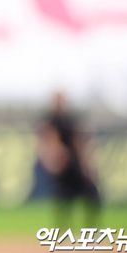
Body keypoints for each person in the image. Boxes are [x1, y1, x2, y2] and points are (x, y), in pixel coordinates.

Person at [37, 91, 101, 228]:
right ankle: (63, 231)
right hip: (62, 169)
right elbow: (47, 142)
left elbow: (80, 142)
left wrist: (86, 165)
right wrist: (53, 162)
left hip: (75, 166)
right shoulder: (50, 120)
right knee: (64, 203)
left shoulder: (70, 120)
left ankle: (89, 230)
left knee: (92, 196)